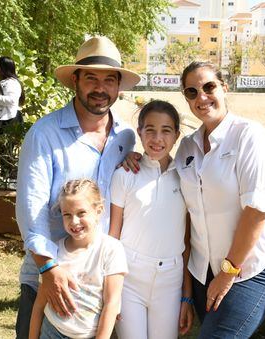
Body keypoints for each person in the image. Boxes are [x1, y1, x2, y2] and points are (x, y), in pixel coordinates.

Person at [124, 62, 265, 338]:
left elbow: (257, 211)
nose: (202, 97)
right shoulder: (187, 146)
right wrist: (134, 157)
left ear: (224, 86)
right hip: (202, 271)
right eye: (191, 91)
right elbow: (168, 186)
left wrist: (227, 272)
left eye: (209, 87)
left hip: (247, 268)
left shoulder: (249, 136)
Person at [15, 35, 140, 339]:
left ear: (118, 86)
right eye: (91, 78)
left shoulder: (126, 137)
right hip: (49, 278)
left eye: (109, 79)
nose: (100, 88)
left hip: (98, 284)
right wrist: (49, 270)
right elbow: (31, 210)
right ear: (75, 80)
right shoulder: (44, 135)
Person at [109, 100, 194, 339]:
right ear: (139, 132)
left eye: (166, 130)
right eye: (150, 130)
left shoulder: (185, 177)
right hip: (129, 278)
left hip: (170, 280)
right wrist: (110, 287)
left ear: (177, 135)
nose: (157, 138)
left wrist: (186, 296)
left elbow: (186, 243)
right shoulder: (126, 174)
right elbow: (113, 236)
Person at [29, 179, 128, 339]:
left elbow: (112, 304)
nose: (74, 221)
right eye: (67, 215)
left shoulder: (111, 249)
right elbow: (40, 304)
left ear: (98, 210)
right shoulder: (53, 250)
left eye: (81, 213)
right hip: (52, 331)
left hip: (89, 335)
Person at [0, 56, 25, 126]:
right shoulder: (1, 81)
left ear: (3, 68)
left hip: (7, 121)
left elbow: (11, 100)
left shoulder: (12, 83)